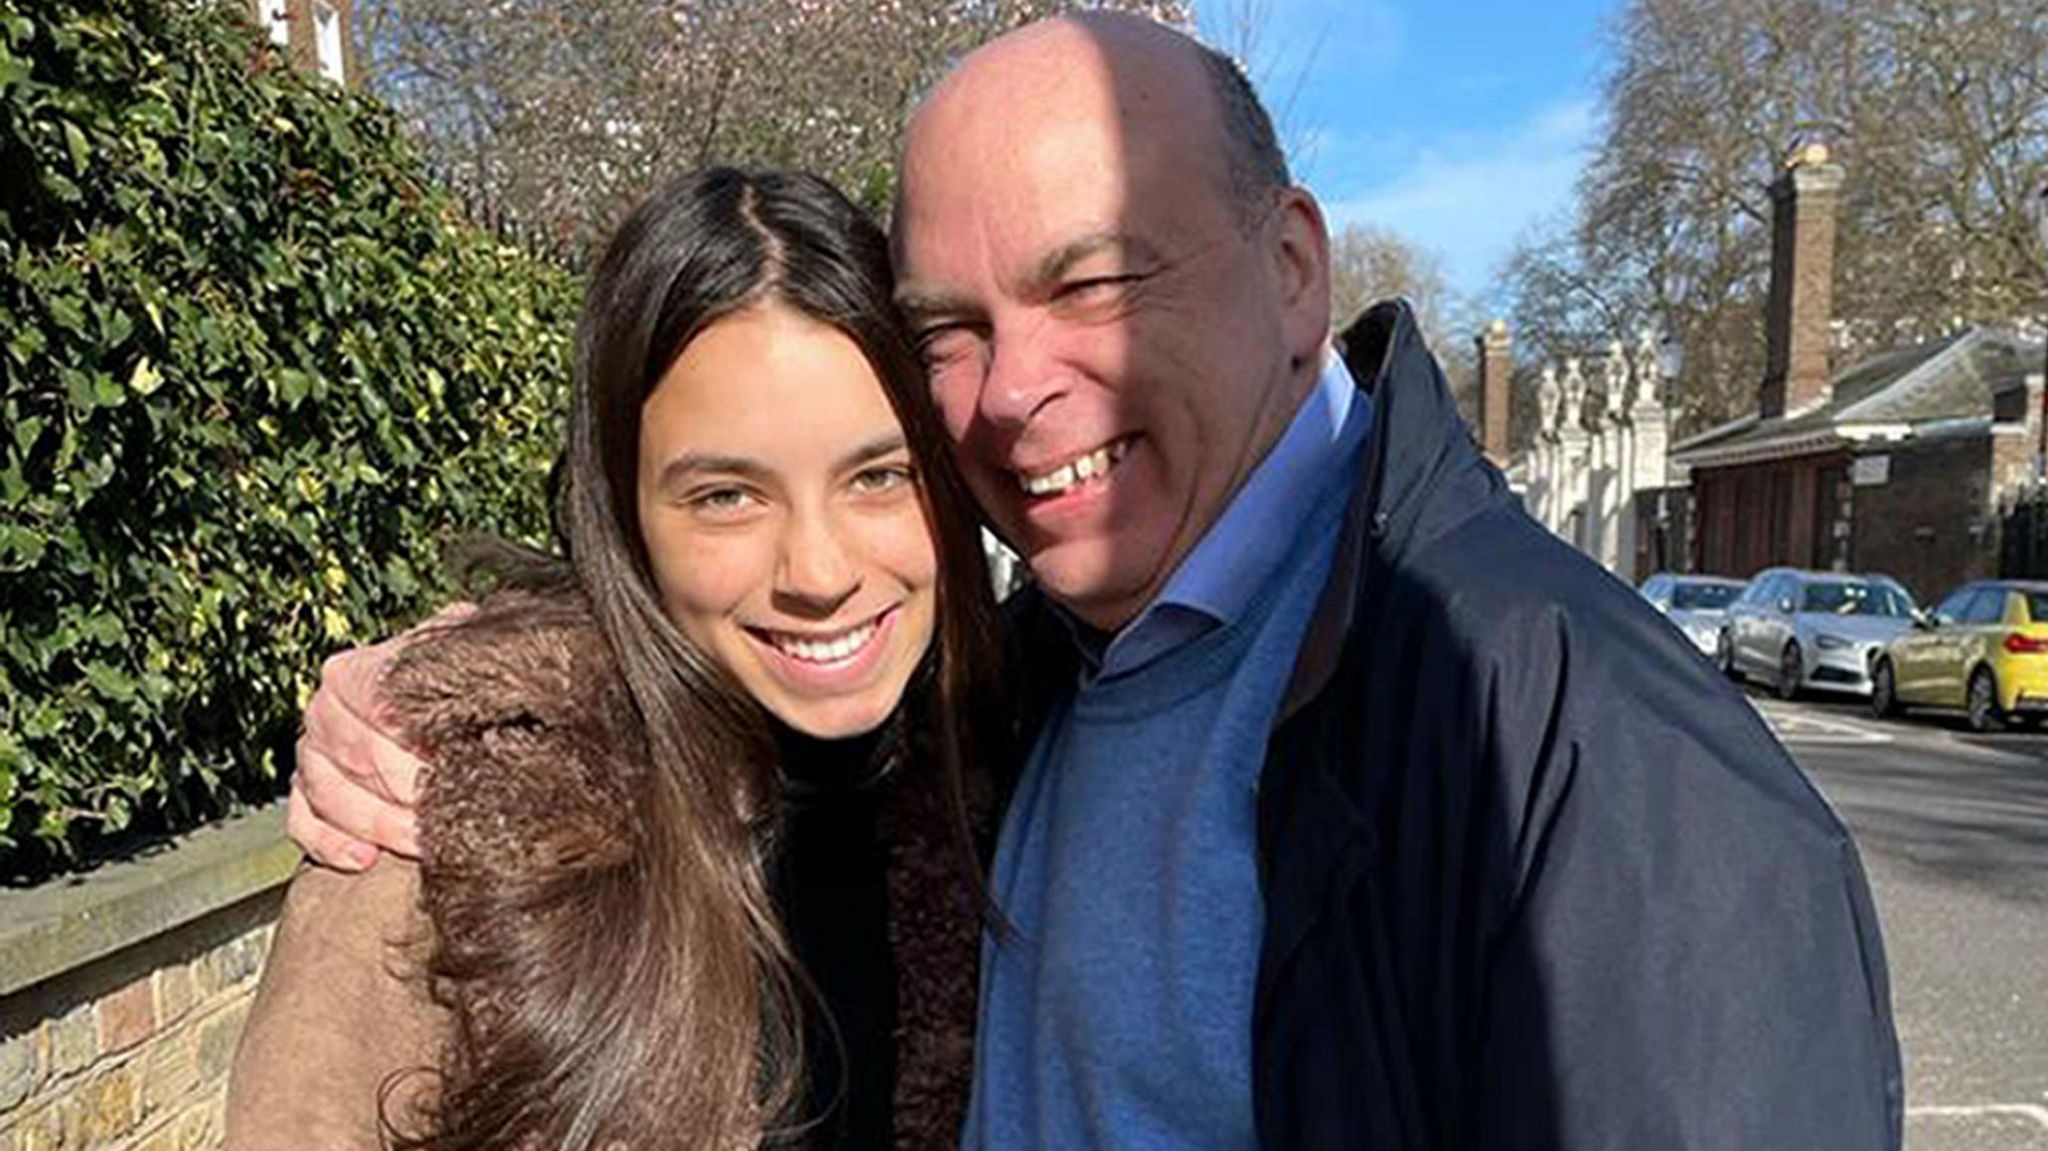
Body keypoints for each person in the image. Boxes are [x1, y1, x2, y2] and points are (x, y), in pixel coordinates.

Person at [291, 13, 1904, 1149]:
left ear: (1290, 268)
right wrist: (466, 692)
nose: (1015, 390)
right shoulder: (1046, 673)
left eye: (1098, 283)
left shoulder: (1567, 743)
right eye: (950, 329)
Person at [226, 168, 1001, 1150]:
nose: (818, 569)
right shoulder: (445, 834)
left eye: (879, 475)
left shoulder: (1024, 768)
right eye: (726, 494)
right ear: (624, 516)